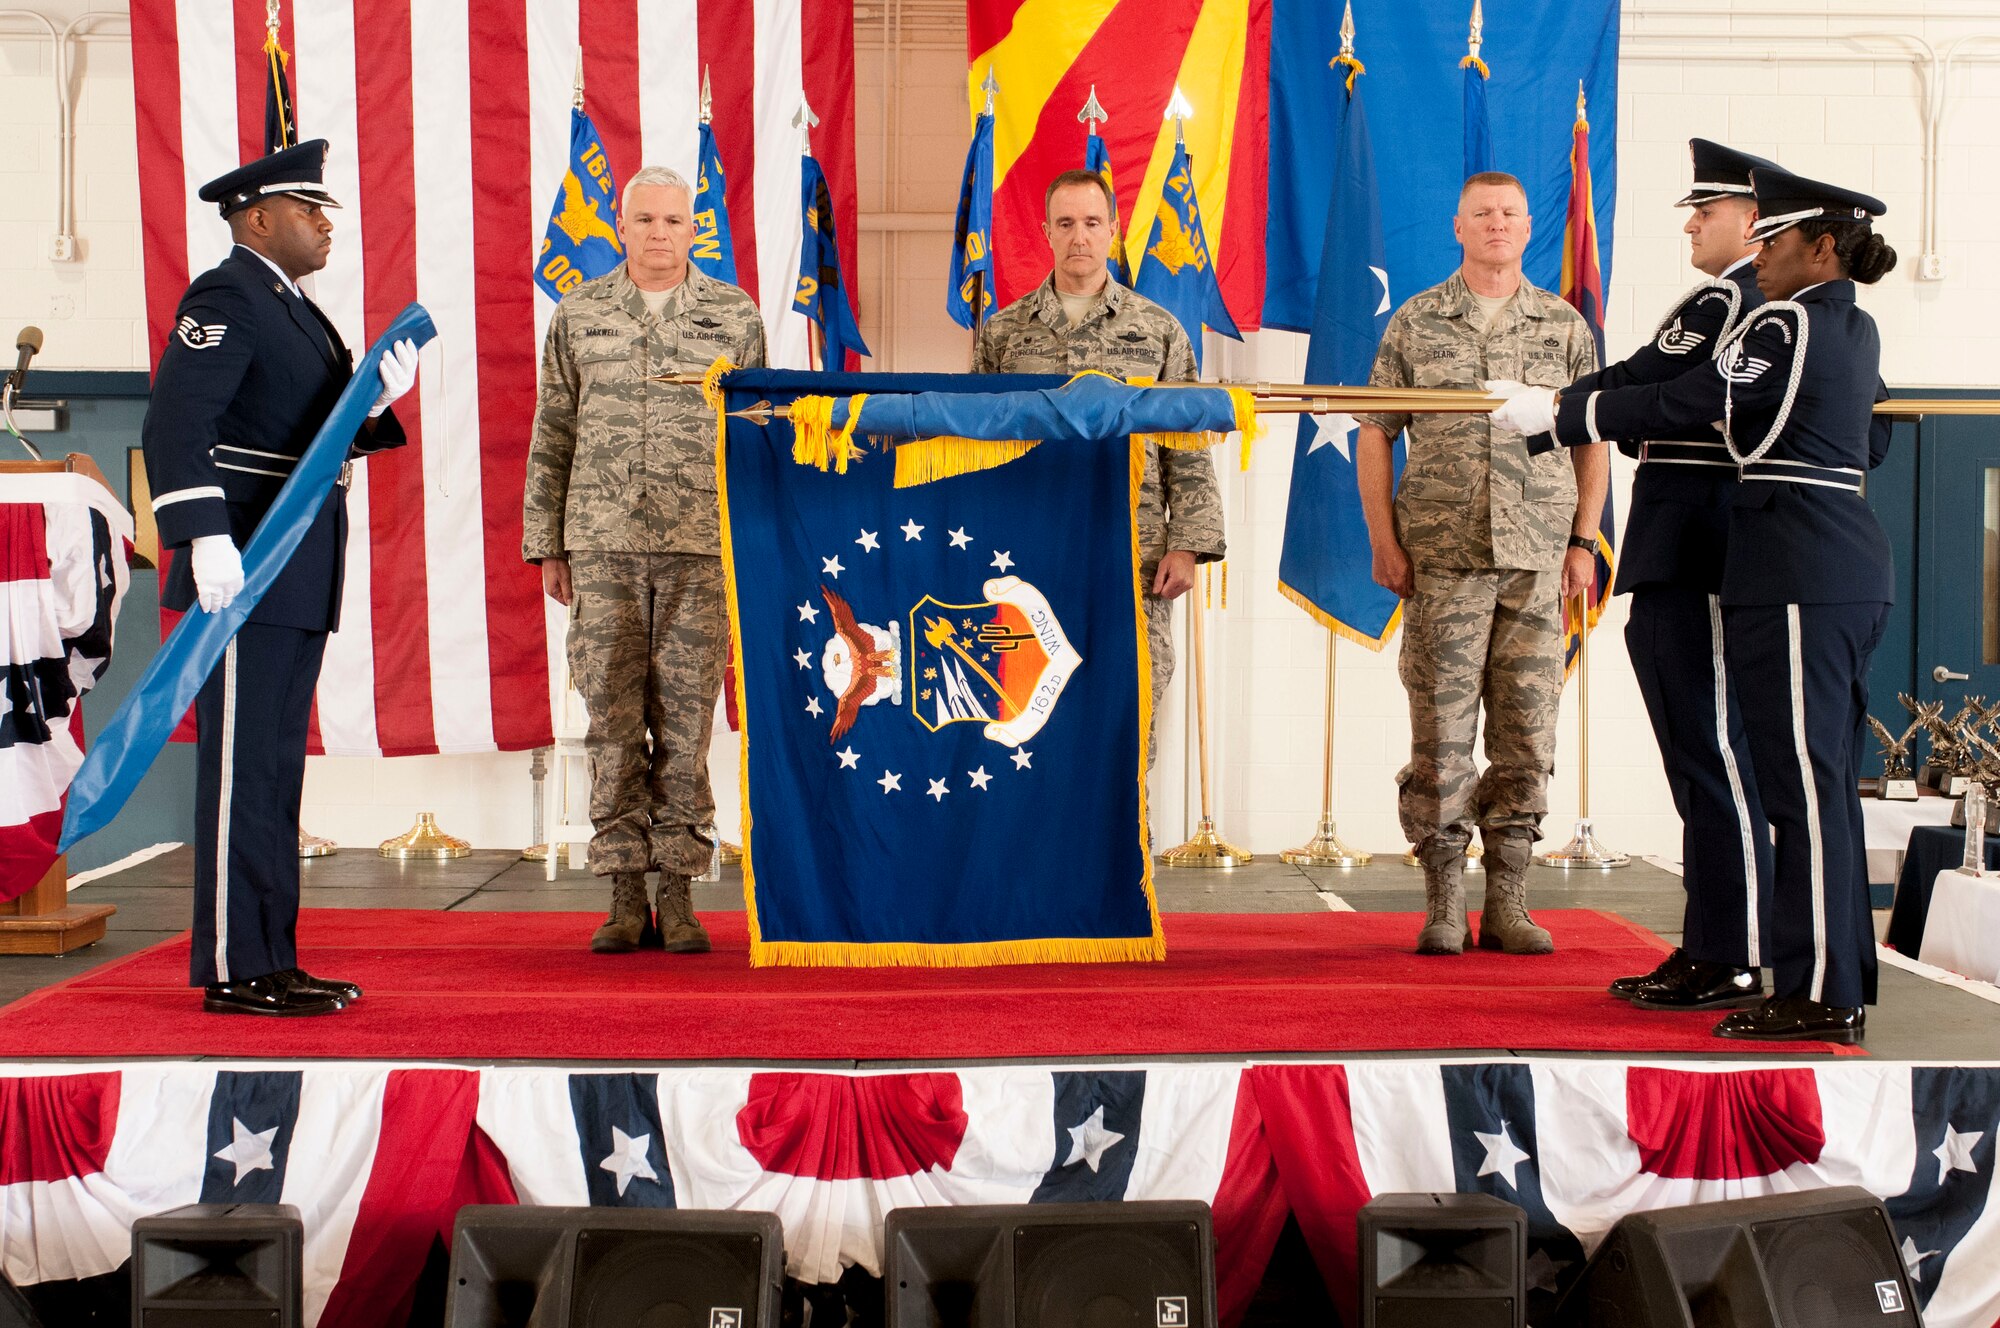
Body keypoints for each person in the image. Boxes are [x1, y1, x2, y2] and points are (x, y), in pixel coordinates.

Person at [1496, 168, 1896, 1042]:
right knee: (1810, 786)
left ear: (1819, 244)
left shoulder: (1789, 318)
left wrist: (1568, 416)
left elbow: (1701, 398)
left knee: (1804, 788)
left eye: (1774, 238)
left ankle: (1823, 990)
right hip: (1816, 559)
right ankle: (1823, 978)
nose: (1762, 254)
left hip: (1799, 561)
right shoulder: (1852, 327)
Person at [1504, 140, 1781, 1012]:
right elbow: (1640, 380)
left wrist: (1557, 408)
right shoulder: (1730, 301)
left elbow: (1659, 387)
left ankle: (1732, 951)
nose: (1694, 222)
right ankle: (1713, 943)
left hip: (1701, 540)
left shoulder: (1743, 301)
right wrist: (1563, 404)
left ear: (1756, 221)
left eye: (1710, 210)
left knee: (1712, 753)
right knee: (1696, 752)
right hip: (1678, 539)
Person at [143, 140, 417, 1016]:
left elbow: (300, 429)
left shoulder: (293, 306)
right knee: (240, 774)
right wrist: (201, 536)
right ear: (259, 219)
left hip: (294, 564)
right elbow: (177, 423)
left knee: (272, 773)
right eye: (311, 211)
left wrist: (368, 409)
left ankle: (271, 958)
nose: (326, 224)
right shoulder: (229, 295)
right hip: (248, 563)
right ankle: (233, 965)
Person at [1354, 171, 1607, 957]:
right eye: (1481, 215)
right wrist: (1383, 540)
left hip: (1537, 558)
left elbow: (1591, 439)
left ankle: (1509, 901)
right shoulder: (1417, 322)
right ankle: (1441, 902)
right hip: (1444, 558)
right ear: (1456, 227)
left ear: (1529, 227)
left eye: (1509, 214)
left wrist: (1583, 539)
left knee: (1528, 733)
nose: (1496, 225)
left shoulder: (1563, 326)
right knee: (1441, 734)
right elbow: (1373, 432)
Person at [524, 166, 767, 956]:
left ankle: (680, 891)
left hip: (704, 546)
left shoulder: (733, 316)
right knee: (613, 719)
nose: (660, 233)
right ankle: (626, 894)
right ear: (621, 227)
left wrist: (757, 540)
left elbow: (761, 431)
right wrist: (547, 543)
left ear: (694, 228)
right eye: (646, 220)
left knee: (689, 721)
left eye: (674, 220)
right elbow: (553, 429)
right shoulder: (580, 314)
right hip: (602, 546)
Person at [972, 169, 1224, 752]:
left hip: (1131, 550)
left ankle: (1130, 842)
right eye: (1065, 224)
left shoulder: (1159, 333)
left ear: (1113, 230)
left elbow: (1185, 445)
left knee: (1131, 706)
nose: (1079, 236)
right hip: (1026, 545)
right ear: (1046, 232)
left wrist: (1187, 544)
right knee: (1027, 705)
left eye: (1091, 223)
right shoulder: (1005, 333)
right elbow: (978, 445)